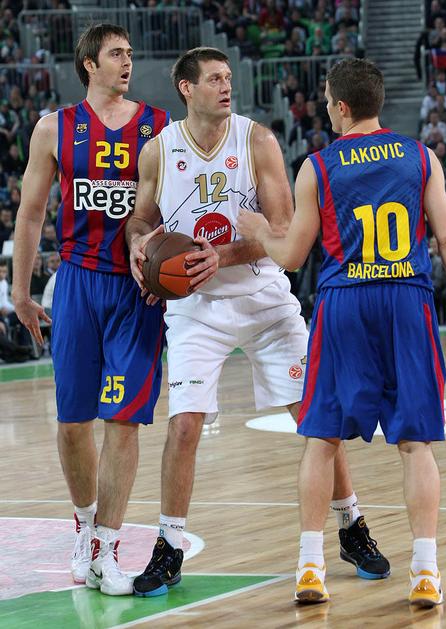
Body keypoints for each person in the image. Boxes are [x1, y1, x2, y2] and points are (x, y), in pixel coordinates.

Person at [126, 47, 390, 598]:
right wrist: (139, 249)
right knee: (184, 425)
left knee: (315, 419)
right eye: (214, 79)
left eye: (228, 77)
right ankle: (169, 546)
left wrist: (218, 256)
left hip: (264, 299)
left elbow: (284, 229)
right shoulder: (158, 150)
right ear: (186, 88)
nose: (226, 86)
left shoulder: (257, 141)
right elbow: (142, 218)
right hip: (197, 310)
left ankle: (351, 525)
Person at [237, 58, 446, 606]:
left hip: (346, 303)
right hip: (407, 301)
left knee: (322, 438)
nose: (326, 109)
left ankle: (310, 567)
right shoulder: (421, 156)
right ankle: (426, 571)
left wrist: (258, 230)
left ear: (343, 107)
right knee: (416, 443)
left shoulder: (319, 166)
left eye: (328, 101)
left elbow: (292, 255)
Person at [11, 23, 179, 596]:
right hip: (78, 283)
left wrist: (169, 270)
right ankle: (84, 523)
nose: (127, 62)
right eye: (116, 54)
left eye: (130, 53)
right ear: (89, 63)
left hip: (137, 289)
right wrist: (20, 291)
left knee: (124, 419)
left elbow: (174, 207)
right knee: (72, 421)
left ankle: (108, 546)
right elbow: (31, 213)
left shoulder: (160, 126)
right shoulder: (53, 128)